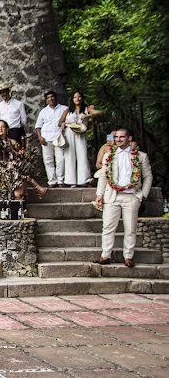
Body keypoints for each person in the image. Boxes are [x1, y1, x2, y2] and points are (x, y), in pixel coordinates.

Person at [93, 128, 153, 268]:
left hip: (132, 196)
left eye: (122, 137)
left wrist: (142, 195)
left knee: (130, 228)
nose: (118, 139)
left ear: (129, 138)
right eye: (116, 137)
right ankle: (105, 256)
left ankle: (128, 257)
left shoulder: (140, 156)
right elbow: (103, 175)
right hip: (112, 195)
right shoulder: (109, 155)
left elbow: (148, 176)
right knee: (108, 227)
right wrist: (99, 194)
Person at [0, 120, 47, 198]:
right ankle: (35, 185)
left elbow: (19, 156)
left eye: (3, 127)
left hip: (12, 167)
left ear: (7, 129)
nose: (0, 129)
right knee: (13, 169)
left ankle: (29, 190)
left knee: (18, 190)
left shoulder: (12, 142)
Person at [63, 90, 101, 187]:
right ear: (72, 99)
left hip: (81, 133)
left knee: (82, 155)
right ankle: (71, 181)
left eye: (79, 96)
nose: (77, 99)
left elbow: (99, 112)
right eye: (75, 97)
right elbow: (60, 122)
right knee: (69, 156)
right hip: (70, 132)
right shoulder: (68, 110)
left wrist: (87, 115)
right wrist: (63, 124)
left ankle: (84, 179)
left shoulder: (87, 108)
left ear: (82, 98)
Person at [35, 90, 69, 187]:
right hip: (46, 139)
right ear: (46, 100)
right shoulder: (43, 112)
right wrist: (40, 137)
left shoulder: (64, 109)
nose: (50, 99)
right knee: (48, 160)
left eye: (52, 97)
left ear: (55, 98)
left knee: (60, 159)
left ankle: (60, 180)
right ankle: (52, 181)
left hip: (59, 138)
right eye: (48, 97)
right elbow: (38, 126)